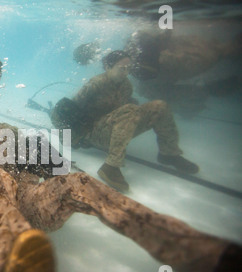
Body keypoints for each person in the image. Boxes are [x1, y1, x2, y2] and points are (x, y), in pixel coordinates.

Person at [0, 88, 241, 272]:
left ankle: (199, 256)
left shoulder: (4, 130)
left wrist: (58, 172)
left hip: (27, 205)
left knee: (79, 182)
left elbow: (34, 154)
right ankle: (10, 264)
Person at [50, 50, 199, 193]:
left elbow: (123, 109)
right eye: (122, 68)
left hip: (112, 128)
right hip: (91, 133)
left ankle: (169, 153)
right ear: (108, 67)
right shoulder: (96, 84)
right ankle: (111, 166)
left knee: (159, 106)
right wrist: (71, 139)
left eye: (128, 68)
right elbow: (64, 111)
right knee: (130, 109)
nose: (126, 72)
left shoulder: (126, 85)